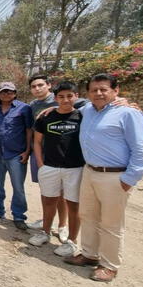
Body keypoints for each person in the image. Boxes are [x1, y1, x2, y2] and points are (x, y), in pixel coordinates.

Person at [64, 73, 143, 282]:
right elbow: (67, 102)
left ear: (116, 90)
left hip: (115, 176)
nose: (99, 93)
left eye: (103, 89)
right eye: (94, 90)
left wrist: (128, 180)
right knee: (88, 216)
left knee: (111, 223)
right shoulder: (87, 110)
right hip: (90, 172)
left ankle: (109, 265)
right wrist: (50, 108)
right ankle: (89, 254)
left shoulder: (128, 113)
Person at [29, 82, 84, 257]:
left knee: (73, 204)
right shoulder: (46, 117)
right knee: (48, 201)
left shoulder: (83, 116)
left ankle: (72, 241)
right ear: (55, 97)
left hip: (75, 168)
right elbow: (37, 141)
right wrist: (40, 164)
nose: (66, 100)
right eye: (61, 96)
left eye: (70, 96)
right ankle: (45, 232)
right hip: (50, 166)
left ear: (76, 96)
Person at [0, 82, 34, 229]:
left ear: (15, 93)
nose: (6, 94)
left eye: (9, 91)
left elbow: (29, 130)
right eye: (3, 91)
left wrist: (27, 151)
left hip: (16, 154)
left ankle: (19, 215)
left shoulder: (24, 108)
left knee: (18, 186)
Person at [27, 74, 68, 241]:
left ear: (49, 85)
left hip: (60, 154)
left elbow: (88, 104)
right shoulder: (32, 106)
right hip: (39, 153)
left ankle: (62, 225)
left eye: (40, 85)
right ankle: (47, 221)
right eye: (34, 86)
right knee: (46, 190)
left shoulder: (61, 99)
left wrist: (123, 101)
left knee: (62, 192)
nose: (37, 88)